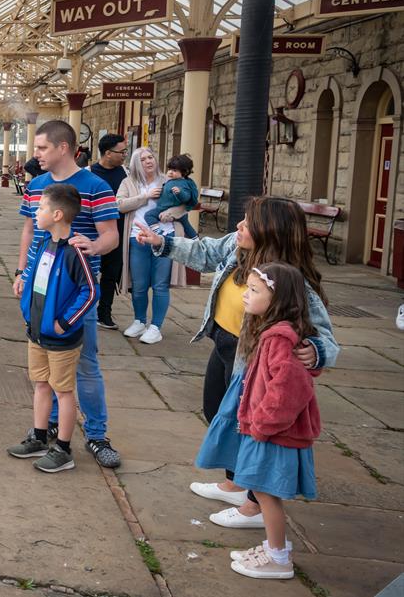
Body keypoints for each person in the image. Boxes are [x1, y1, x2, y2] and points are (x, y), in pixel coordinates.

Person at [132, 196, 337, 527]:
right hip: (224, 345)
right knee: (216, 412)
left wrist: (316, 350)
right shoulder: (238, 248)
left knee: (253, 429)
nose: (238, 226)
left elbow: (325, 337)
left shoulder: (288, 279)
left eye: (247, 223)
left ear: (269, 232)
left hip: (255, 364)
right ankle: (236, 483)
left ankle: (255, 507)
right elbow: (206, 253)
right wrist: (162, 243)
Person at [195, 262, 322, 579]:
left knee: (266, 494)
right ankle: (273, 548)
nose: (246, 296)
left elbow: (289, 388)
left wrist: (262, 424)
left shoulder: (279, 337)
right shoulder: (272, 332)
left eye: (254, 291)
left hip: (273, 434)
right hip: (266, 431)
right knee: (263, 491)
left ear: (276, 300)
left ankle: (279, 558)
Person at [15, 120, 122, 468]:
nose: (36, 155)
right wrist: (21, 272)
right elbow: (29, 228)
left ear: (63, 148)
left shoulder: (96, 186)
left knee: (85, 366)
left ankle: (96, 435)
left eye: (42, 148)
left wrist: (91, 245)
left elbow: (111, 236)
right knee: (46, 372)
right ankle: (45, 433)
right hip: (40, 288)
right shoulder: (36, 186)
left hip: (76, 292)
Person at [8, 183, 98, 473]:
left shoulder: (75, 252)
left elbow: (90, 292)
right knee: (41, 384)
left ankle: (63, 448)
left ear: (57, 214)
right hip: (37, 332)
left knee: (64, 391)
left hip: (59, 336)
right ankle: (38, 435)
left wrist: (65, 322)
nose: (36, 212)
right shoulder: (44, 242)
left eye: (42, 208)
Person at [117, 148, 185, 345]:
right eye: (143, 159)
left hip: (164, 237)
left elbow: (186, 203)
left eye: (151, 157)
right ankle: (139, 321)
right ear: (136, 163)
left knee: (160, 284)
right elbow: (119, 204)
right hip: (137, 238)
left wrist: (172, 212)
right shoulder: (128, 182)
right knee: (138, 285)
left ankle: (155, 327)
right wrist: (145, 196)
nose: (148, 161)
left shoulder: (168, 180)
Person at [89, 134, 128, 330]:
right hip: (92, 233)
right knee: (88, 272)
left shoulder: (126, 174)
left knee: (111, 274)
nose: (124, 155)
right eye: (121, 152)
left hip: (117, 231)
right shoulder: (88, 172)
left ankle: (104, 312)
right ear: (107, 153)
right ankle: (85, 309)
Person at [145, 154, 199, 239]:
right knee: (186, 226)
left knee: (149, 215)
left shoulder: (183, 183)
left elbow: (187, 197)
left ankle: (195, 239)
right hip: (165, 207)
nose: (170, 172)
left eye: (174, 170)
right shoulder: (170, 180)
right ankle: (194, 238)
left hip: (170, 210)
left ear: (184, 172)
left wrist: (179, 192)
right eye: (169, 169)